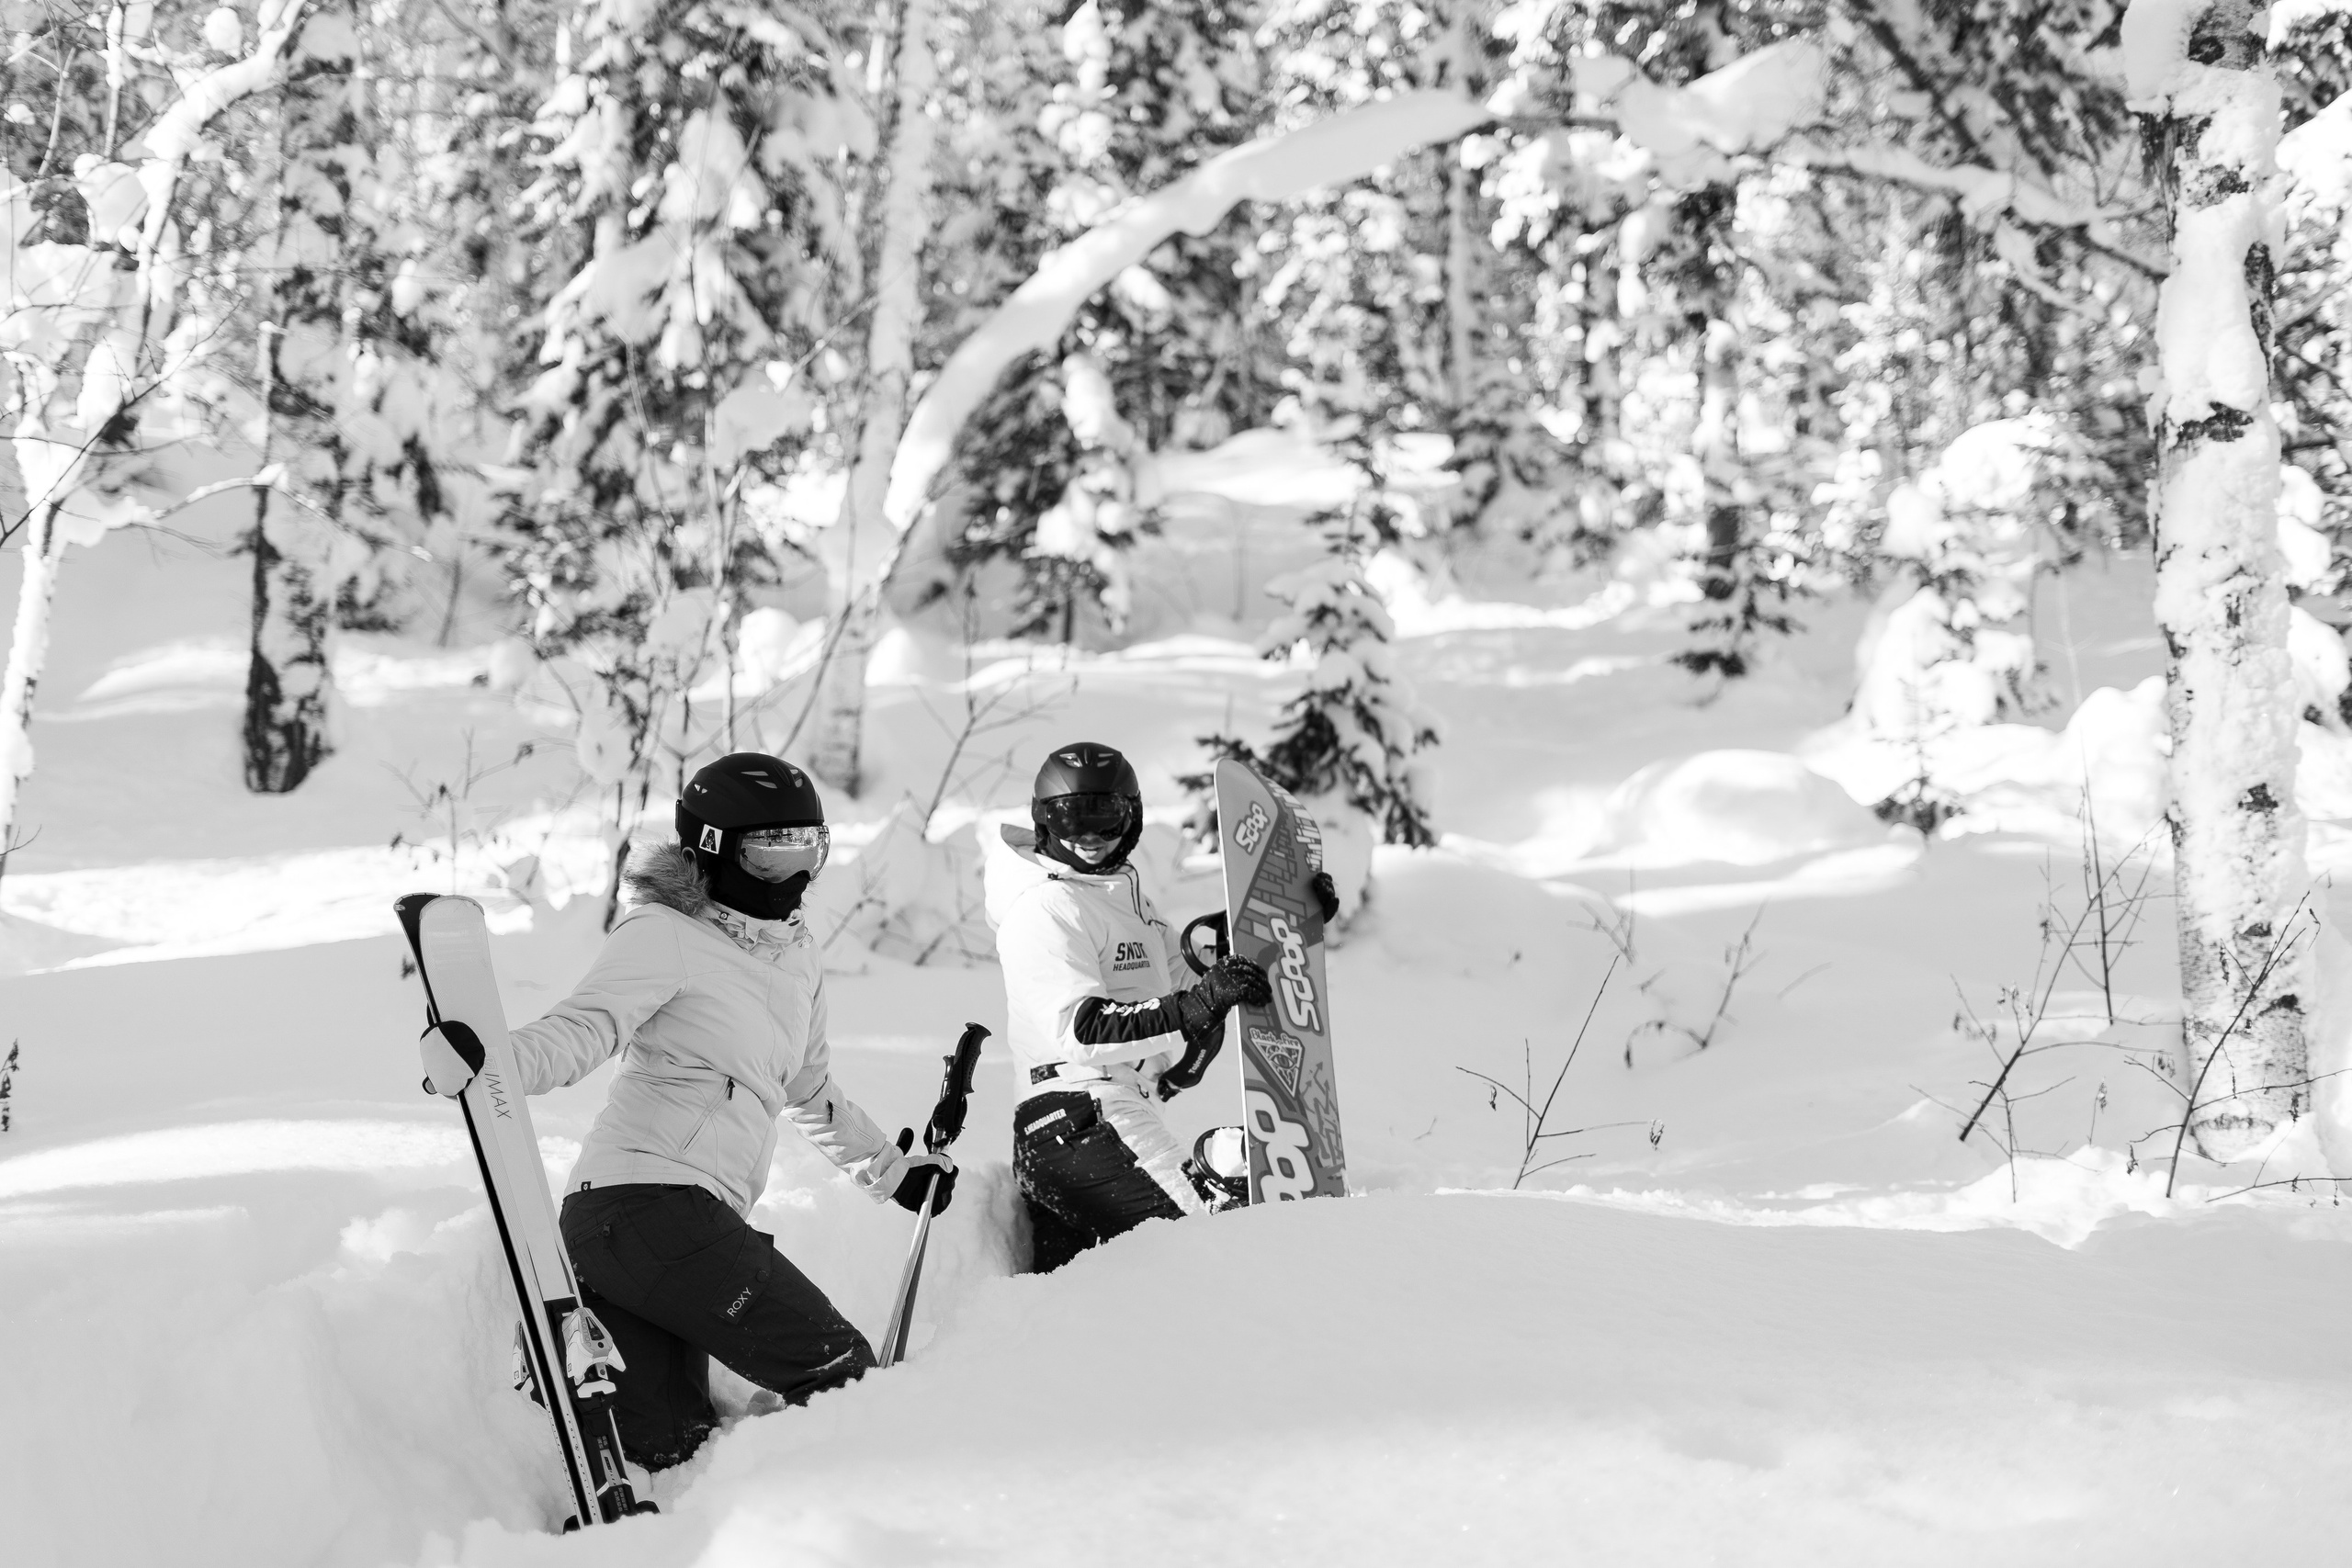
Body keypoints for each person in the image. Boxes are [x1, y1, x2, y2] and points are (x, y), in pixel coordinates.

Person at [419, 753, 955, 1472]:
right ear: (713, 847)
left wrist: (895, 1173)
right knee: (838, 1367)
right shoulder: (665, 933)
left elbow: (810, 1087)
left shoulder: (796, 956)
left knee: (675, 1454)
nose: (793, 876)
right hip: (648, 1205)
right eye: (770, 855)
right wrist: (488, 1059)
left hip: (667, 1232)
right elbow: (585, 1029)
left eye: (808, 851)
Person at [980, 740, 1338, 1272]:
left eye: (1108, 819)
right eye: (1072, 820)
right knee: (1214, 1248)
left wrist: (1281, 917)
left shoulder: (1117, 896)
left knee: (1087, 1313)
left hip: (1095, 1124)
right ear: (1043, 821)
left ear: (1135, 817)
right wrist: (1198, 1003)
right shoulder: (1045, 907)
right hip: (1079, 1119)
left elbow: (1194, 969)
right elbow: (1083, 1030)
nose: (1092, 838)